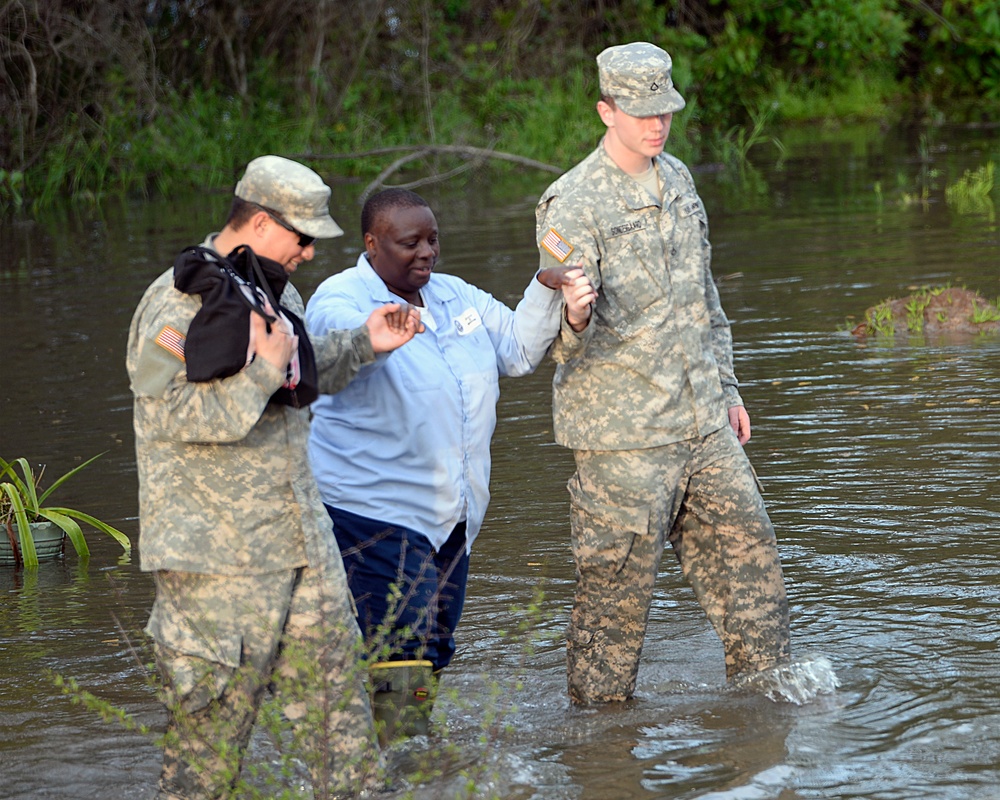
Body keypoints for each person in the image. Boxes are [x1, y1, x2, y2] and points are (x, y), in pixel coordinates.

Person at [126, 155, 422, 799]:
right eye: (303, 236)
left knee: (348, 756)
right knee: (205, 768)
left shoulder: (276, 291)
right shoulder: (175, 303)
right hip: (218, 566)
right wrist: (261, 370)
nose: (312, 252)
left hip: (303, 549)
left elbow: (298, 380)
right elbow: (170, 415)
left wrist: (366, 342)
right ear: (260, 222)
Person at [534, 42, 792, 705]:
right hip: (623, 439)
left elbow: (705, 300)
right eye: (641, 113)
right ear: (606, 110)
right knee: (614, 606)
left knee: (754, 566)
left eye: (665, 112)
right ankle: (597, 746)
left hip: (703, 421)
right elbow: (553, 341)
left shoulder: (678, 179)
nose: (656, 125)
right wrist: (576, 318)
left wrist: (728, 389)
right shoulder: (572, 203)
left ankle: (765, 722)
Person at [305, 188, 596, 739]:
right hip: (374, 509)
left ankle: (397, 741)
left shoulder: (452, 296)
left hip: (452, 513)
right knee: (400, 642)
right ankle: (402, 755)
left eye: (432, 240)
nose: (426, 253)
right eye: (408, 242)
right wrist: (376, 338)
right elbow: (323, 363)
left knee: (434, 642)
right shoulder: (339, 301)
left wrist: (549, 290)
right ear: (372, 244)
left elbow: (516, 349)